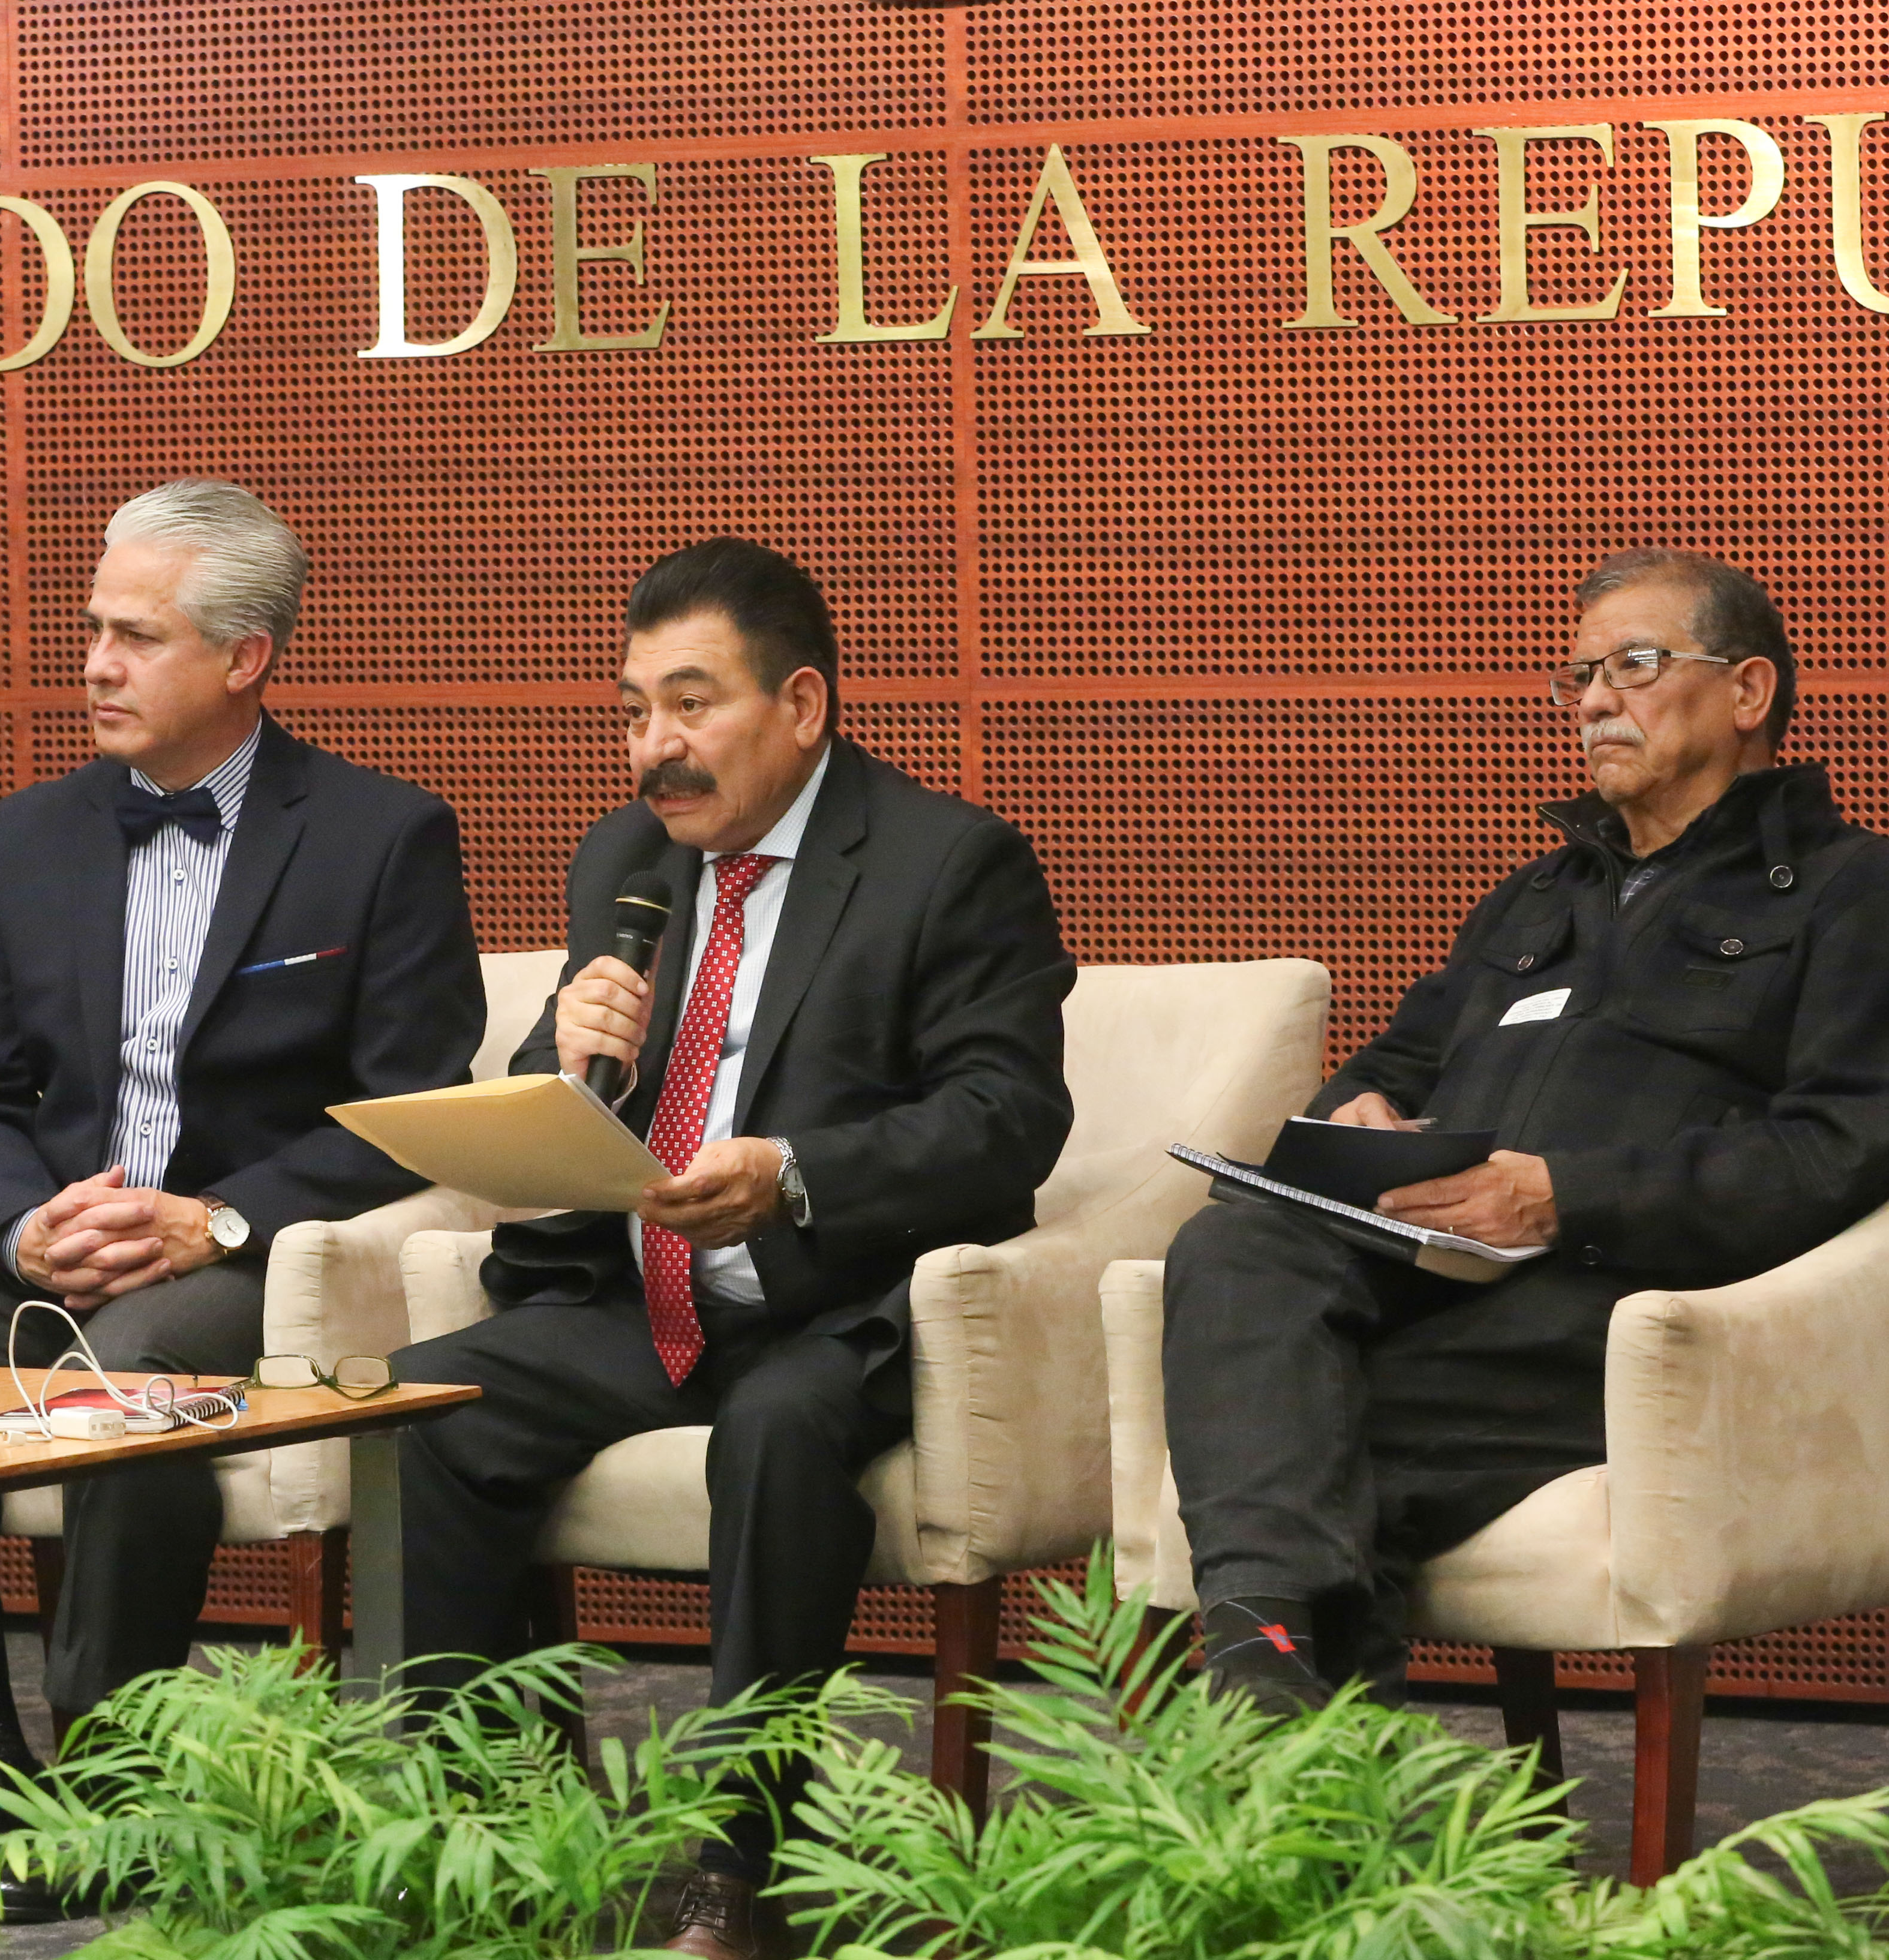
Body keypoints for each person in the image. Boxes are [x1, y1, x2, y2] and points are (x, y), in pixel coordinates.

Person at [389, 536, 1075, 1960]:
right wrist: (563, 1063)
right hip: (642, 1295)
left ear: (804, 706)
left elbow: (1007, 1120)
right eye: (635, 710)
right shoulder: (625, 859)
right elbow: (568, 1086)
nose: (656, 747)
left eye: (691, 705)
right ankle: (496, 1828)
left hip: (836, 1301)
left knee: (773, 1432)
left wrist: (795, 1175)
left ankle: (740, 1868)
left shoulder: (948, 863)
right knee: (431, 1407)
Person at [0, 479, 483, 1917]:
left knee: (115, 1388)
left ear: (243, 657)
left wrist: (214, 1219)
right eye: (90, 631)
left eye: (134, 636)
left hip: (238, 1245)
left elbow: (407, 1110)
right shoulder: (26, 839)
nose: (94, 665)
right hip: (36, 1239)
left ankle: (116, 1790)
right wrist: (21, 1224)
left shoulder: (379, 839)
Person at [1163, 548, 1889, 1710]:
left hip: (1637, 1302)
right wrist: (1353, 1116)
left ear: (1746, 693)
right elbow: (1384, 1066)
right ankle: (1279, 1697)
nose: (1594, 700)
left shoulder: (1851, 892)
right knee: (1227, 1243)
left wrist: (1564, 1194)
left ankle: (1265, 1695)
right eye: (1579, 676)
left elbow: (1837, 1148)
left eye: (1635, 666)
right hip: (1435, 1269)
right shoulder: (1534, 898)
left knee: (1291, 1423)